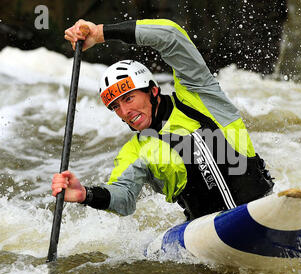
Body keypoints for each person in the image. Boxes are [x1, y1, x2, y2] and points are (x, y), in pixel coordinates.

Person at [52, 18, 274, 221]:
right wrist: (85, 195)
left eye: (129, 98)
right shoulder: (136, 152)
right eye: (116, 106)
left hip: (264, 208)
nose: (124, 111)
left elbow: (170, 36)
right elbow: (123, 197)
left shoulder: (199, 96)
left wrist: (101, 32)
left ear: (153, 91)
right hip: (210, 234)